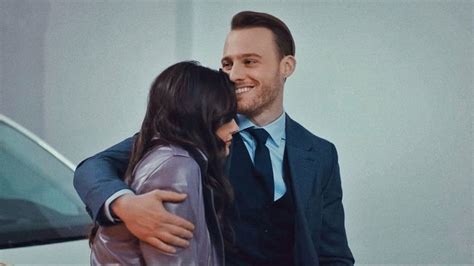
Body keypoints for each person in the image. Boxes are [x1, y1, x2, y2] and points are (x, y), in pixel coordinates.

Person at [74, 11, 355, 265]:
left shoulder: (320, 153)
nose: (234, 74)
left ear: (287, 66)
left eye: (250, 61)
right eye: (227, 63)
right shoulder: (194, 132)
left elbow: (333, 254)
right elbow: (92, 167)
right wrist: (125, 205)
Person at [88, 61, 239, 265]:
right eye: (226, 118)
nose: (235, 127)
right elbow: (94, 166)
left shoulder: (177, 157)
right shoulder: (177, 165)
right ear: (198, 116)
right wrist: (123, 203)